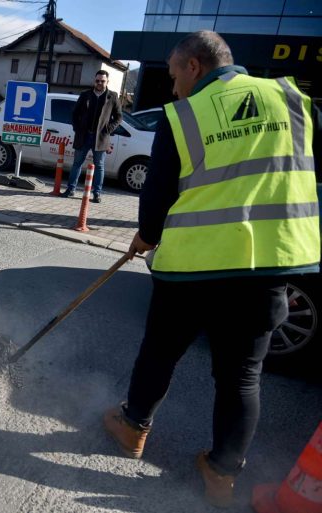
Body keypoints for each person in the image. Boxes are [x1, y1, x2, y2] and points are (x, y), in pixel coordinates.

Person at [102, 30, 320, 508]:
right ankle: (222, 474)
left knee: (160, 352)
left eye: (175, 74)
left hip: (194, 267)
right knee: (242, 375)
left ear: (194, 67)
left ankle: (132, 428)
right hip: (269, 264)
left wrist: (147, 237)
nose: (173, 86)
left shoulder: (183, 115)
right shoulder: (289, 97)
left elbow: (157, 195)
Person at [61, 70, 122, 203]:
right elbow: (75, 113)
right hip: (84, 135)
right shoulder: (85, 95)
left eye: (102, 81)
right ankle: (70, 189)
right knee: (77, 163)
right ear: (94, 81)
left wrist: (109, 129)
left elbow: (119, 116)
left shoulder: (112, 96)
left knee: (99, 166)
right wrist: (76, 128)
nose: (99, 83)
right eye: (97, 80)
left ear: (107, 82)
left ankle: (97, 194)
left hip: (100, 138)